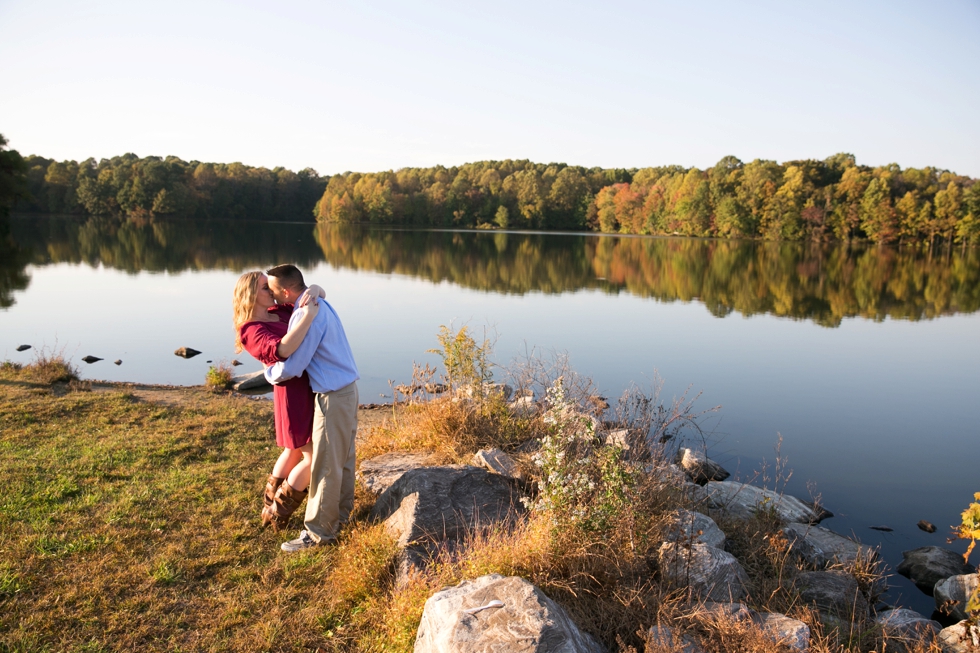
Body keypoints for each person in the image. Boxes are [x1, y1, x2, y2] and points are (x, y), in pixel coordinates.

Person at [264, 264, 359, 552]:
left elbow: (294, 365)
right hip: (346, 390)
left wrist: (268, 373)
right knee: (342, 461)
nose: (269, 295)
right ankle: (340, 519)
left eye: (271, 290)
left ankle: (318, 533)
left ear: (286, 291)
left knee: (326, 466)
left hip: (332, 395)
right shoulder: (318, 302)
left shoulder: (306, 314)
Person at [233, 270, 324, 530]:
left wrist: (315, 289)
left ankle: (269, 502)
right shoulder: (251, 330)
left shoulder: (280, 311)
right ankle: (278, 510)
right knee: (312, 456)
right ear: (250, 295)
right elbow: (282, 349)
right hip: (293, 395)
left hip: (303, 388)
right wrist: (307, 317)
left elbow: (313, 293)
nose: (271, 291)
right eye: (265, 288)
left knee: (293, 450)